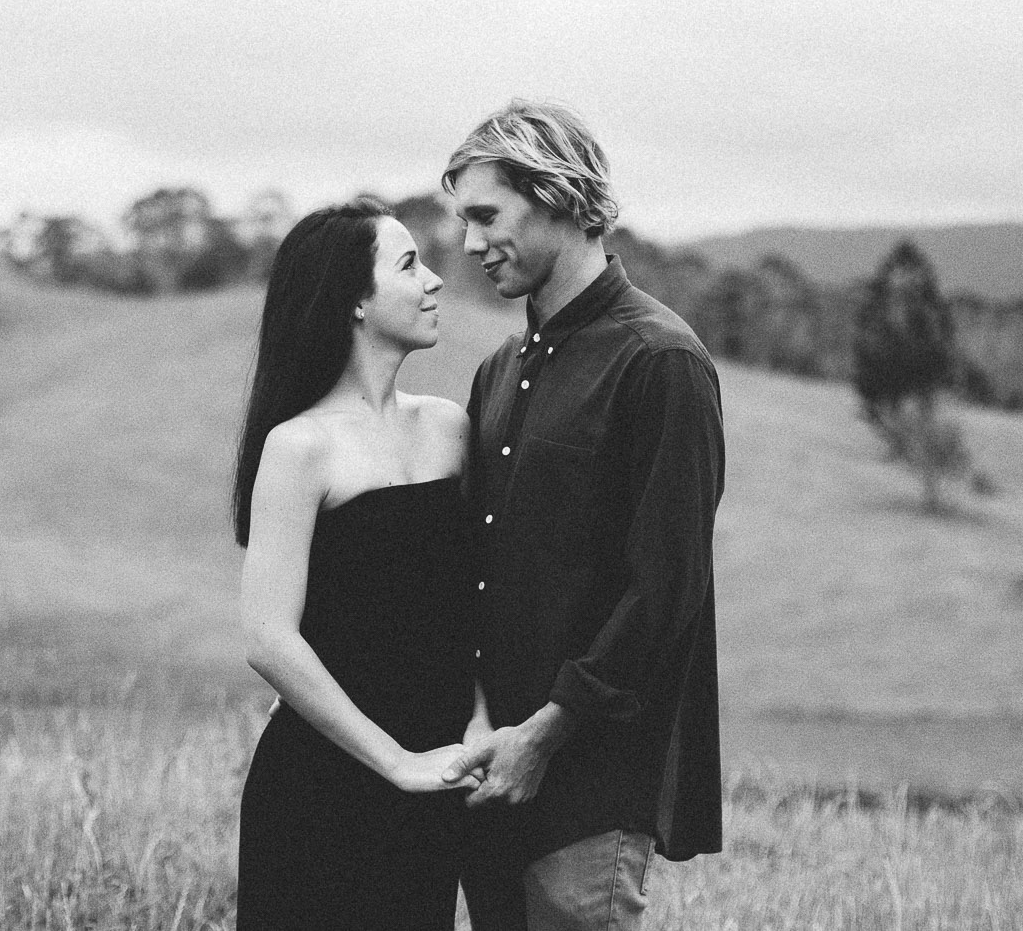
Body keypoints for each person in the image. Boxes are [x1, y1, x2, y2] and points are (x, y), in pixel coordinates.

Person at [440, 100, 726, 930]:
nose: (468, 242)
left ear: (558, 195)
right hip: (488, 769)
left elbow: (665, 588)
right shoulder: (497, 371)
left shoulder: (662, 362)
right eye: (462, 220)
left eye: (486, 215)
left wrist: (546, 734)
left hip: (590, 782)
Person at [233, 198, 489, 930]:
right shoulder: (299, 446)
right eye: (410, 264)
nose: (436, 280)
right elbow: (269, 639)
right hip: (322, 790)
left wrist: (476, 720)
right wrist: (396, 761)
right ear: (353, 298)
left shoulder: (449, 429)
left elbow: (463, 605)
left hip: (436, 784)